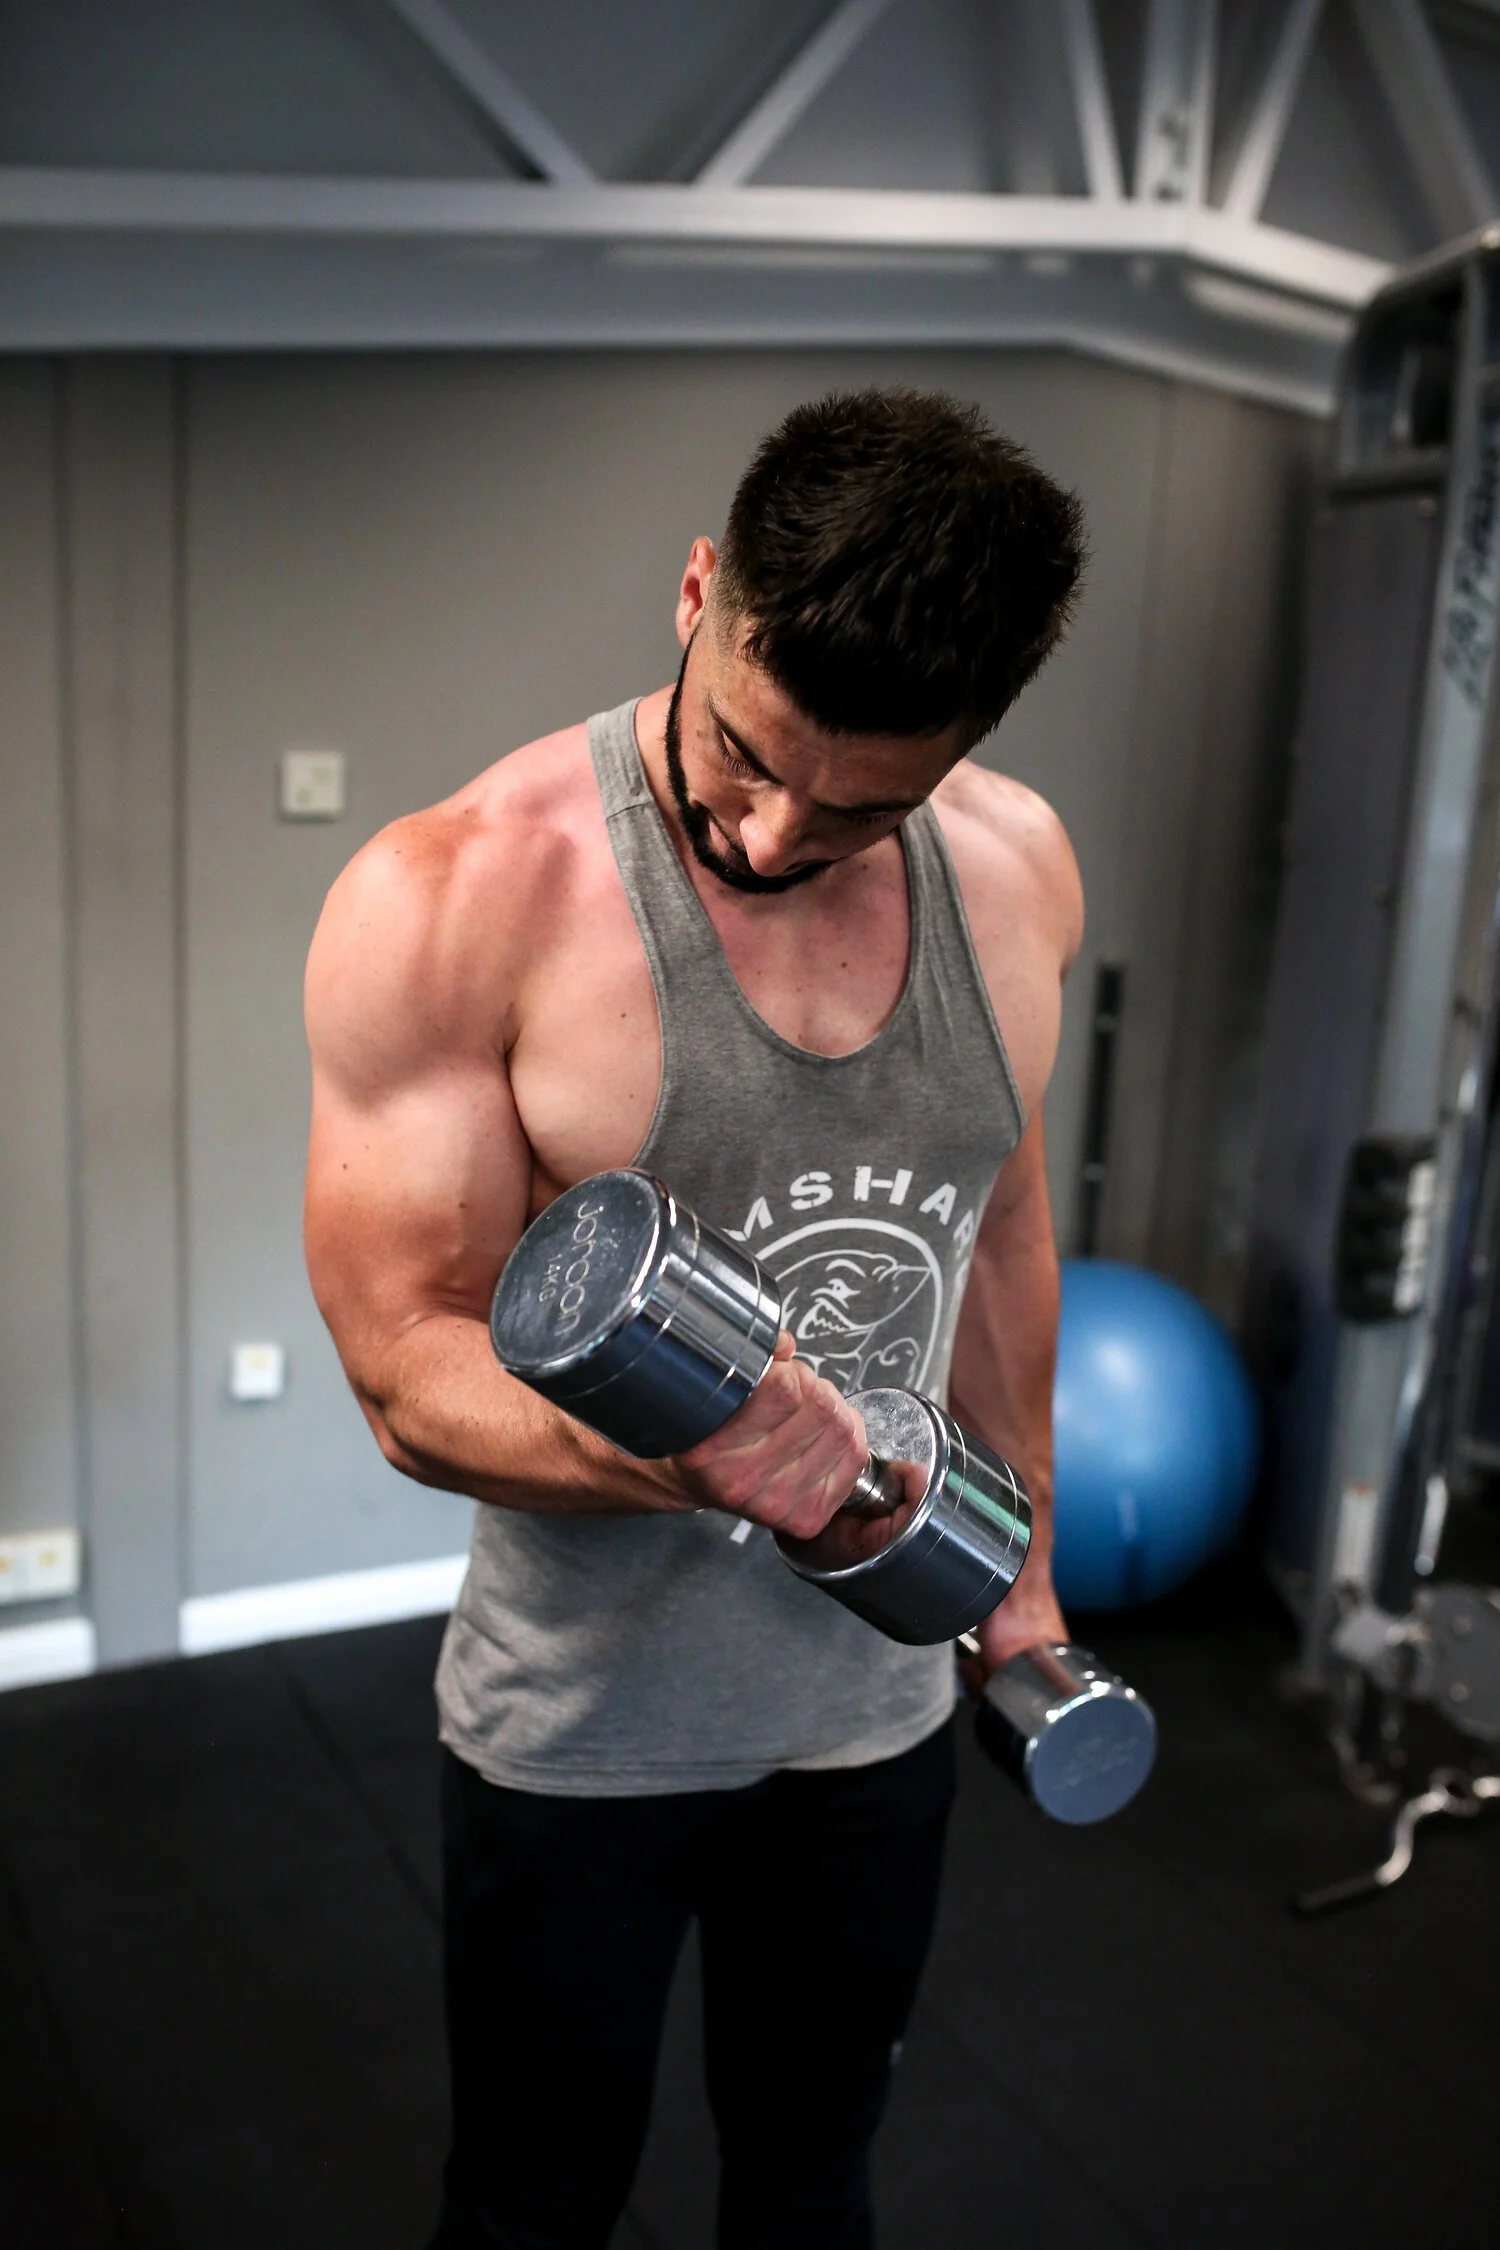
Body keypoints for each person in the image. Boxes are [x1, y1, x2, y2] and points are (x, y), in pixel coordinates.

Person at [304, 386, 1087, 2249]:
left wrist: (1027, 1570)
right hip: (583, 1725)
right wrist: (698, 1453)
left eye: (863, 803)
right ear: (695, 592)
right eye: (746, 751)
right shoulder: (459, 893)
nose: (773, 828)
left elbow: (997, 1232)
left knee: (815, 2179)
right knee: (535, 2197)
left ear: (969, 744)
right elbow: (405, 1366)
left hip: (878, 1702)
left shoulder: (1018, 875)